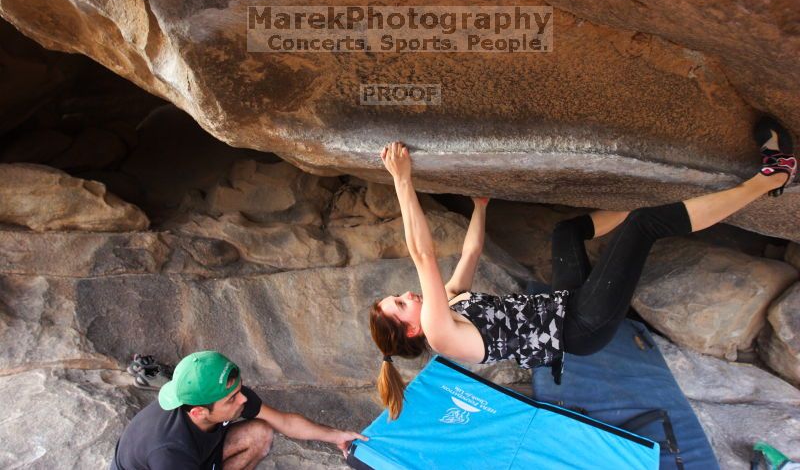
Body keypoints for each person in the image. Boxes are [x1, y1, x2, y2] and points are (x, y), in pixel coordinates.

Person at [369, 117, 797, 419]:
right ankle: (773, 177)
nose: (408, 296)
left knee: (566, 233)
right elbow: (422, 254)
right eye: (400, 305)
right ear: (410, 330)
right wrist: (401, 180)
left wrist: (480, 206)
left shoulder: (449, 300)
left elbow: (472, 253)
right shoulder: (442, 334)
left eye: (399, 296)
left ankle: (645, 206)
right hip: (580, 326)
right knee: (645, 227)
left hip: (563, 305)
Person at [110, 350, 367, 469]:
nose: (242, 400)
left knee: (260, 433)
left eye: (238, 391)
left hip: (200, 456)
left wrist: (337, 436)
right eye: (231, 400)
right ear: (199, 412)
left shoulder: (225, 395)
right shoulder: (169, 452)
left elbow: (285, 422)